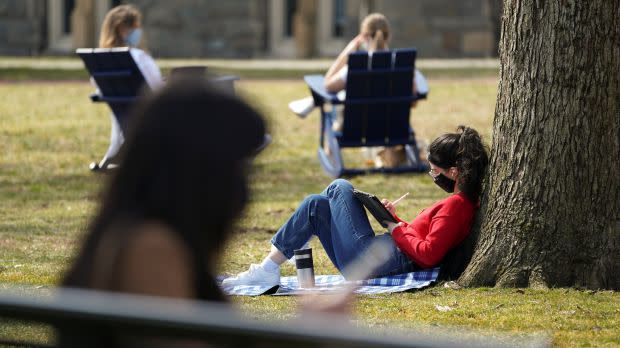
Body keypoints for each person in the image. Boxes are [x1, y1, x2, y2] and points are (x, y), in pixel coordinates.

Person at [60, 78, 266, 345]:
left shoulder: (152, 232)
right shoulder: (152, 248)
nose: (245, 183)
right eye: (240, 166)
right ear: (202, 166)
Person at [222, 126, 488, 287]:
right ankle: (268, 268)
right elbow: (425, 239)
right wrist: (396, 220)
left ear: (453, 172)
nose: (433, 176)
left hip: (380, 261)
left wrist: (394, 228)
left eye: (434, 170)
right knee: (316, 205)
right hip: (380, 256)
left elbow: (429, 254)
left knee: (340, 186)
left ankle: (277, 260)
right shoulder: (460, 204)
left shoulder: (457, 206)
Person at [288, 13, 427, 167]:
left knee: (335, 103)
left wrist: (347, 52)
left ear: (364, 36)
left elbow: (327, 84)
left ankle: (328, 152)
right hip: (393, 128)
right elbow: (413, 102)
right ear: (389, 36)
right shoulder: (404, 67)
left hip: (355, 129)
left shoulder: (356, 67)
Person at [93, 4, 164, 169]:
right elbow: (157, 87)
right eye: (134, 27)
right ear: (122, 29)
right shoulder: (140, 58)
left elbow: (98, 86)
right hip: (152, 119)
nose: (138, 31)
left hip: (121, 129)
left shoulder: (101, 60)